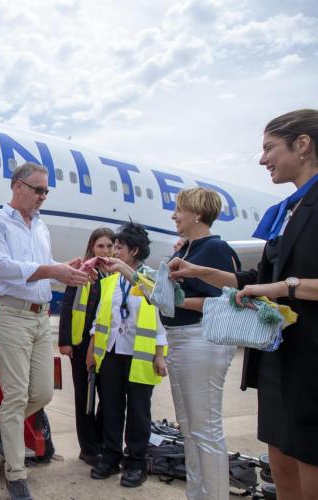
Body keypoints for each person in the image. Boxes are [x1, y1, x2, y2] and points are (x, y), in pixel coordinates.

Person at [169, 109, 318, 499]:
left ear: (302, 145)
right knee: (281, 462)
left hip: (311, 359)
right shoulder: (287, 211)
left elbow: (276, 284)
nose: (263, 159)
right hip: (278, 360)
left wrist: (283, 287)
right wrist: (201, 270)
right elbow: (255, 280)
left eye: (270, 148)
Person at [0, 162, 91, 500]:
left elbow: (44, 267)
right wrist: (51, 270)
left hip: (40, 316)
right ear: (18, 186)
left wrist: (65, 269)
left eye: (46, 191)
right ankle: (16, 475)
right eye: (38, 189)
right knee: (16, 395)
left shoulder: (41, 226)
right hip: (10, 313)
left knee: (42, 393)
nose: (43, 196)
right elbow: (2, 267)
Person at [162, 187, 239, 500]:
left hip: (201, 340)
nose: (174, 215)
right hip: (181, 340)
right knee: (190, 430)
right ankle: (197, 494)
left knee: (206, 431)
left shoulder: (215, 249)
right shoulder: (186, 250)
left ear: (197, 214)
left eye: (179, 210)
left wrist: (177, 301)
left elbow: (227, 302)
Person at [86, 222, 168, 488]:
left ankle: (136, 463)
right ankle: (110, 457)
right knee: (110, 407)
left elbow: (159, 321)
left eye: (119, 247)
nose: (114, 251)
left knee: (138, 412)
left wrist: (159, 355)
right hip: (111, 352)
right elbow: (100, 317)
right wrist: (92, 350)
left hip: (138, 355)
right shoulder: (110, 281)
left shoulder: (150, 280)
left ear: (134, 251)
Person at [58, 227, 115, 467]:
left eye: (110, 246)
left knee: (107, 396)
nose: (105, 250)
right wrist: (65, 341)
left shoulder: (117, 274)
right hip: (81, 344)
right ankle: (88, 448)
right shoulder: (82, 271)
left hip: (107, 345)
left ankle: (101, 443)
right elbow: (68, 305)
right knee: (85, 397)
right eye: (100, 246)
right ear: (92, 247)